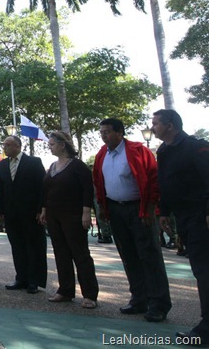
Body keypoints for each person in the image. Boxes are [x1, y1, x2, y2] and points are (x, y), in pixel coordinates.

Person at [93, 118, 171, 323]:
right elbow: (99, 181)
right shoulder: (102, 154)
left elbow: (154, 180)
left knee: (150, 255)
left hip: (139, 209)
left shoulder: (138, 150)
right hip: (116, 209)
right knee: (128, 255)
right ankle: (139, 298)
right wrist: (102, 206)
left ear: (120, 133)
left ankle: (158, 304)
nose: (103, 135)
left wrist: (150, 208)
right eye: (101, 132)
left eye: (107, 132)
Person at [153, 109, 209, 345]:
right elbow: (166, 181)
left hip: (200, 216)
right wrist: (164, 212)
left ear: (170, 125)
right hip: (183, 218)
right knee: (201, 270)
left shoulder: (195, 146)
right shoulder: (164, 151)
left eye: (156, 123)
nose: (152, 127)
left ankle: (206, 329)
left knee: (205, 271)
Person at [40, 131, 99, 309]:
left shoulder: (78, 166)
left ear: (62, 145)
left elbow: (87, 190)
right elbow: (46, 190)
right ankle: (65, 290)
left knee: (80, 254)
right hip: (53, 214)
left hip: (73, 215)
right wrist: (44, 210)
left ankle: (89, 294)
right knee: (61, 253)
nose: (49, 147)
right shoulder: (52, 166)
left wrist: (86, 212)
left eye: (51, 144)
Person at [0, 135, 47, 293]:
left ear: (17, 146)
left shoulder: (33, 162)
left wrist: (41, 209)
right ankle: (21, 278)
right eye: (4, 145)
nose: (4, 148)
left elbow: (42, 187)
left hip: (31, 213)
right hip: (11, 214)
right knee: (17, 247)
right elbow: (0, 189)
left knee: (33, 246)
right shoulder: (2, 165)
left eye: (7, 145)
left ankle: (34, 281)